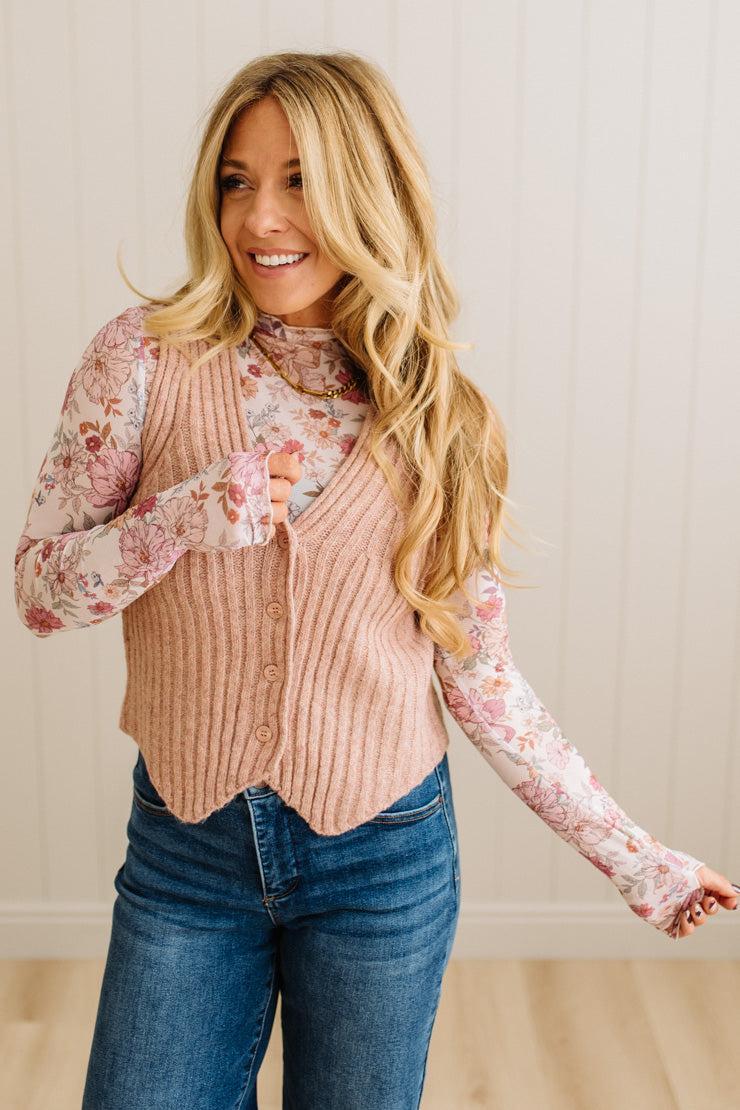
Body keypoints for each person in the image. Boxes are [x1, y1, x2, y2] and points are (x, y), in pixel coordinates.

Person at [13, 50, 737, 1110]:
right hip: (186, 854)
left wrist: (636, 860)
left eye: (300, 178)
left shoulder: (440, 415)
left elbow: (479, 677)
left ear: (372, 193)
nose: (260, 217)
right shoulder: (141, 362)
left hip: (382, 865)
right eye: (236, 178)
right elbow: (38, 592)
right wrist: (177, 521)